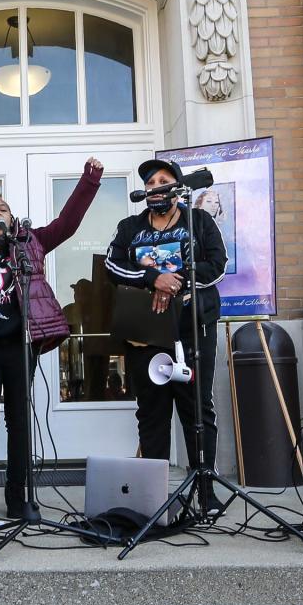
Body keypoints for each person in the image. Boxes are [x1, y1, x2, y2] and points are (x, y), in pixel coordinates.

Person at [0, 159, 104, 521]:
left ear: (11, 219)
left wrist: (89, 181)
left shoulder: (29, 243)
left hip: (20, 347)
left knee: (19, 421)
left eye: (3, 208)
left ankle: (17, 496)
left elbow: (67, 224)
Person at [105, 159, 227, 509]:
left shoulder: (198, 221)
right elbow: (112, 266)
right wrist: (150, 278)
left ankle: (205, 488)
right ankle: (152, 494)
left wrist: (175, 281)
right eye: (150, 181)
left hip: (192, 329)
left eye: (163, 179)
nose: (155, 185)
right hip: (147, 332)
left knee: (197, 409)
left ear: (176, 186)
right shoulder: (130, 227)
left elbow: (217, 265)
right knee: (152, 411)